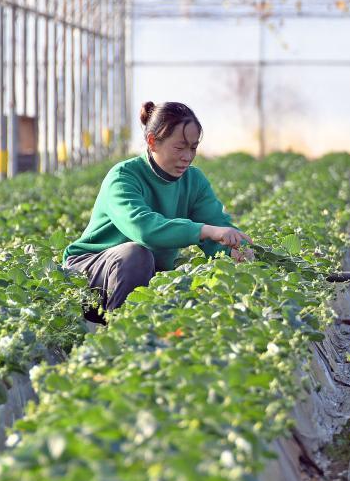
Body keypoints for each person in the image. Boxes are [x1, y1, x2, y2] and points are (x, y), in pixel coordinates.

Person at [64, 101, 252, 323]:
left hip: (144, 271)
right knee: (137, 255)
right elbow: (143, 229)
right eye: (179, 147)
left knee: (187, 279)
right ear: (152, 142)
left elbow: (218, 227)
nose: (187, 156)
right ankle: (118, 335)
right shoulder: (124, 177)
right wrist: (205, 231)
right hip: (90, 270)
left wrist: (238, 252)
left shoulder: (194, 181)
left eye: (193, 147)